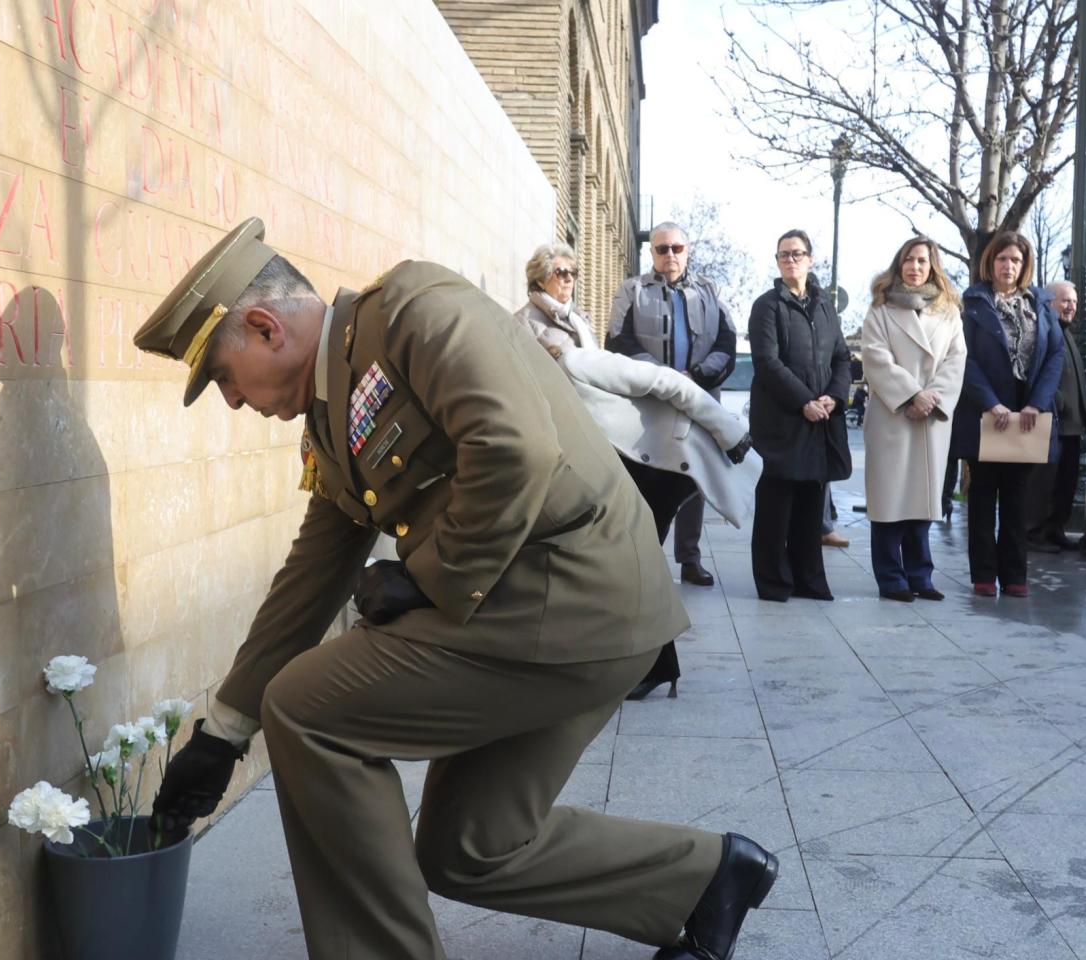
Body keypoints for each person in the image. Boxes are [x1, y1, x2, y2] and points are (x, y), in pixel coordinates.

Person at [141, 219, 778, 960]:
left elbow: (516, 449)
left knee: (309, 711)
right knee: (468, 848)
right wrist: (222, 732)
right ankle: (706, 878)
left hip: (575, 598)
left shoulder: (414, 309)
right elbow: (312, 576)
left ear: (262, 327)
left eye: (221, 376)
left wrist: (422, 576)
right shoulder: (327, 416)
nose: (230, 400)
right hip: (552, 612)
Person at [517, 242, 761, 700]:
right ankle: (646, 663)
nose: (568, 279)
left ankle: (652, 664)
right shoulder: (534, 330)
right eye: (560, 272)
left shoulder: (570, 350)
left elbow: (664, 381)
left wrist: (731, 432)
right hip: (623, 460)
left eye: (572, 271)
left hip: (660, 460)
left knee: (633, 559)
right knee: (628, 559)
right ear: (539, 280)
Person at [607, 222, 739, 587]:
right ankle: (644, 556)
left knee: (693, 477)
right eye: (661, 249)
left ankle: (690, 558)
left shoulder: (709, 291)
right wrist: (663, 379)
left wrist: (693, 378)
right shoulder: (632, 290)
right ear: (651, 253)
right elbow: (617, 342)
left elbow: (727, 345)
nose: (670, 255)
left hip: (698, 401)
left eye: (676, 248)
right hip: (648, 405)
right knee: (645, 478)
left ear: (687, 250)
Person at [953, 231, 1065, 598]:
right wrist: (990, 402)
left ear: (1024, 265)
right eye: (1002, 258)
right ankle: (984, 575)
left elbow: (1054, 357)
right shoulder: (973, 303)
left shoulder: (1041, 306)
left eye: (1015, 260)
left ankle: (1015, 575)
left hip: (1027, 413)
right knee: (983, 494)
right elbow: (963, 358)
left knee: (1017, 497)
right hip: (986, 412)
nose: (1008, 265)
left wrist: (1036, 402)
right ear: (991, 261)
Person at [859, 237, 968, 601]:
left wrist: (932, 397)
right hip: (894, 414)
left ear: (932, 266)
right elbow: (875, 358)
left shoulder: (948, 311)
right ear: (898, 263)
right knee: (890, 499)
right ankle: (891, 577)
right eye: (908, 259)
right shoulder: (880, 309)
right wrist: (911, 394)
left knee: (923, 501)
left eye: (922, 261)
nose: (915, 267)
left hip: (930, 417)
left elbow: (957, 359)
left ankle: (921, 575)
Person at [747, 229, 853, 602]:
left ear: (810, 259)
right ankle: (775, 582)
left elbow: (842, 358)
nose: (790, 260)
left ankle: (809, 579)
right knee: (776, 506)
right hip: (781, 419)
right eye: (783, 255)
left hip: (820, 420)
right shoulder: (767, 305)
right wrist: (804, 400)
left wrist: (834, 398)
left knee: (811, 506)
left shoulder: (825, 307)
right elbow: (766, 362)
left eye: (796, 254)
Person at [1025, 281, 1086, 553]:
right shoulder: (1044, 329)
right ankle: (1033, 533)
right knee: (1042, 483)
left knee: (1065, 483)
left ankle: (1054, 529)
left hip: (1073, 426)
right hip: (1053, 421)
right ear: (1050, 301)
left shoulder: (1066, 333)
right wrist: (1055, 403)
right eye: (1066, 300)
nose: (1071, 307)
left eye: (1074, 302)